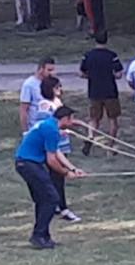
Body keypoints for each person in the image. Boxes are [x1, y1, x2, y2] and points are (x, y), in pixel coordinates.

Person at [14, 105, 86, 250]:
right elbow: (51, 160)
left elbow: (56, 151)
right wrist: (66, 173)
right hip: (29, 164)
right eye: (71, 119)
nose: (72, 122)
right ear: (65, 119)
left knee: (43, 199)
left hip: (27, 163)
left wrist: (73, 168)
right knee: (52, 198)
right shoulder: (51, 129)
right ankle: (38, 235)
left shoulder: (49, 124)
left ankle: (43, 236)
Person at [27, 76, 81, 222]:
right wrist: (59, 131)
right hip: (53, 146)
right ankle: (63, 208)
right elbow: (43, 123)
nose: (60, 90)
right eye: (57, 87)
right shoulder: (45, 105)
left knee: (58, 178)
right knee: (57, 177)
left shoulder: (56, 102)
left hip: (61, 145)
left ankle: (58, 205)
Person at [78, 33, 123, 155]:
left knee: (94, 118)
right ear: (107, 40)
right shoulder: (112, 56)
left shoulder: (88, 56)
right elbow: (119, 74)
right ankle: (111, 146)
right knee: (112, 119)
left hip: (94, 90)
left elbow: (81, 73)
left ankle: (90, 137)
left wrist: (90, 76)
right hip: (110, 91)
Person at [20, 57, 56, 131]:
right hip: (36, 127)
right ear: (41, 69)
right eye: (49, 70)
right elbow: (24, 110)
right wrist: (25, 131)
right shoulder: (29, 84)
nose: (52, 73)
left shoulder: (52, 82)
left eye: (53, 70)